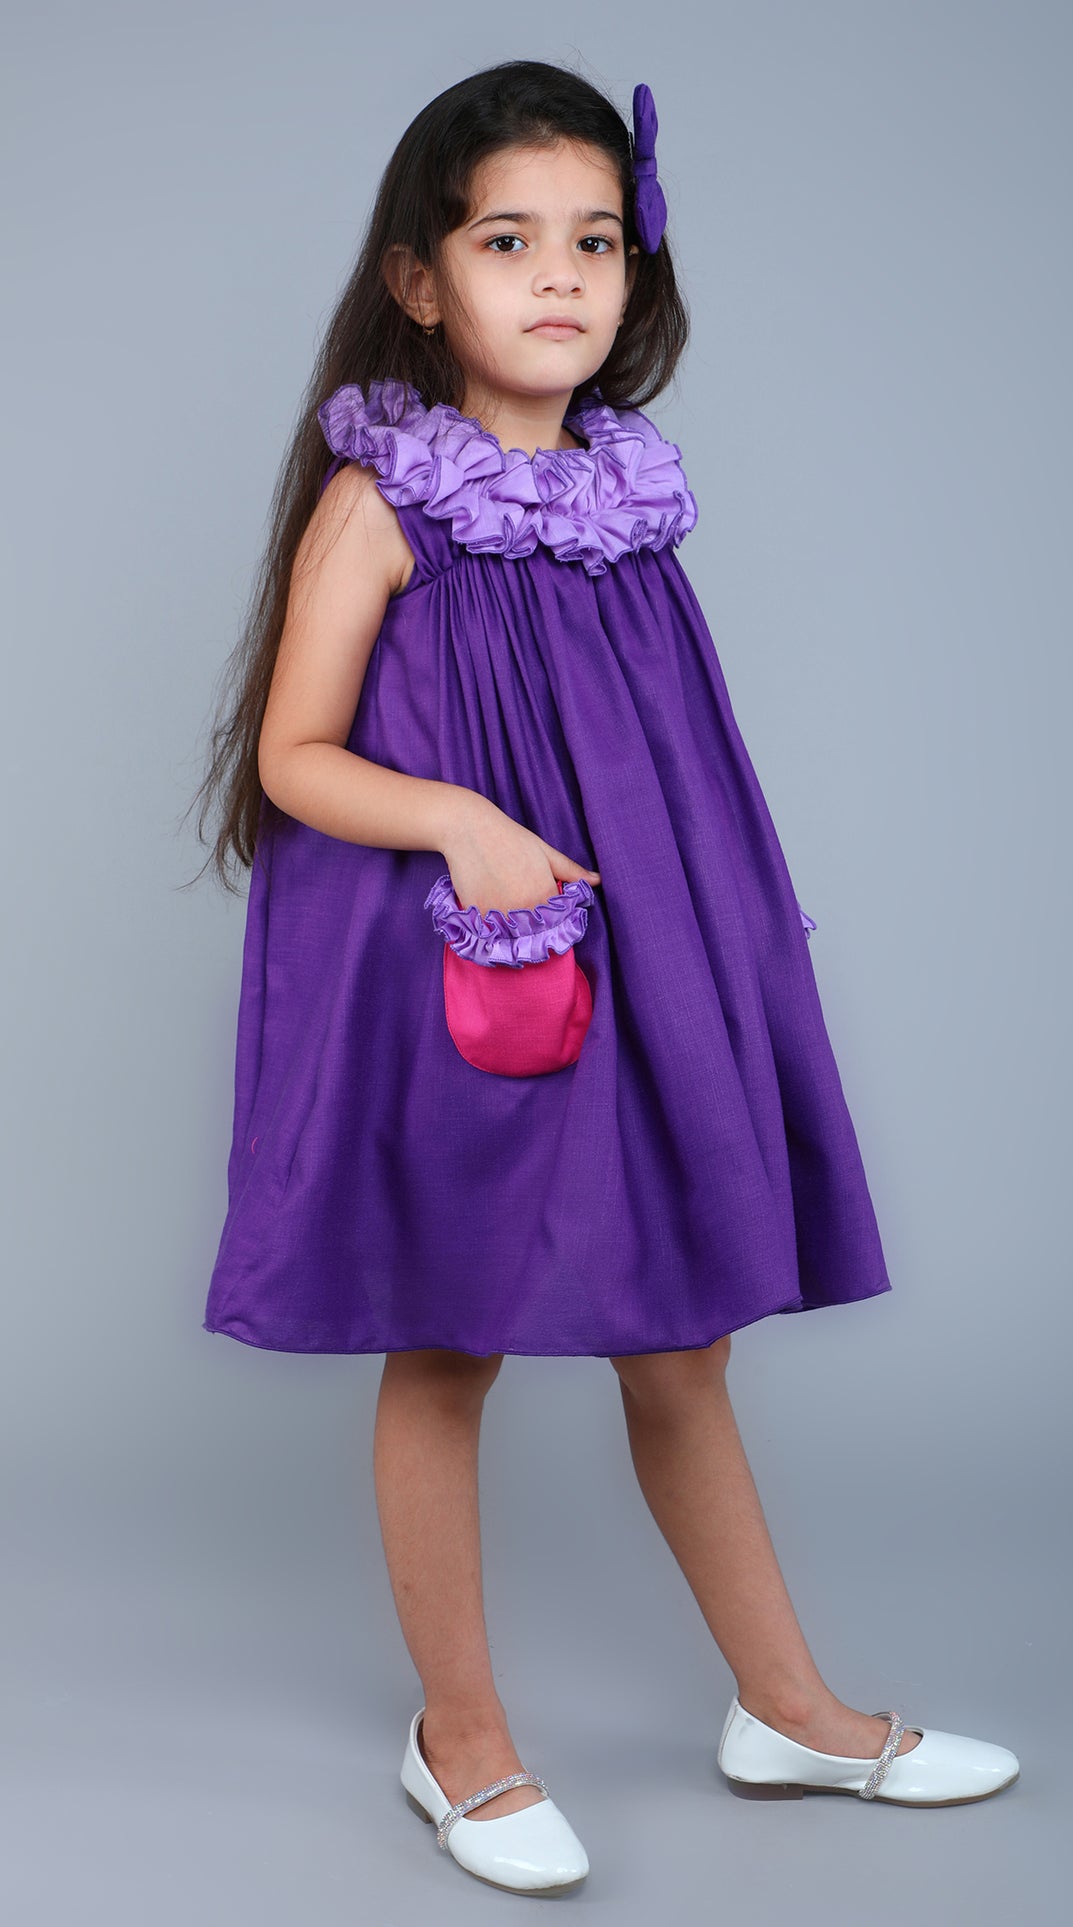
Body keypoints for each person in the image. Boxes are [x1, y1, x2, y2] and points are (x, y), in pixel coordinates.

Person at [187, 58, 1019, 1899]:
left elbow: (664, 753)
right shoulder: (384, 499)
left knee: (681, 1333)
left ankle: (785, 1708)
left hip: (645, 951)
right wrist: (460, 823)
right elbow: (293, 756)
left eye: (594, 240)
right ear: (419, 282)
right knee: (448, 1329)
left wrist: (724, 934)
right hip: (465, 955)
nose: (559, 275)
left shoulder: (627, 498)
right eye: (507, 242)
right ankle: (460, 1738)